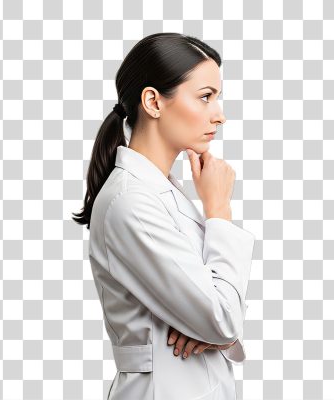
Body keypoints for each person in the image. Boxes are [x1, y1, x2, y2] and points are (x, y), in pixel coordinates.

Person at [72, 32, 255, 400]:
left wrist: (217, 328)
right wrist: (219, 212)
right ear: (153, 102)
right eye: (205, 97)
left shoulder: (158, 193)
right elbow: (222, 316)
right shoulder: (131, 202)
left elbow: (220, 309)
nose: (219, 115)